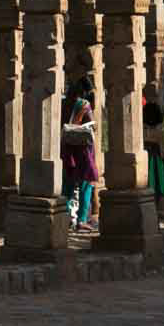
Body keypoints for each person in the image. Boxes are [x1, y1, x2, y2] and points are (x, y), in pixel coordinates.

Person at [61, 76, 99, 232]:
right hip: (83, 149)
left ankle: (67, 217)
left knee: (69, 185)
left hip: (68, 147)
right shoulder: (84, 104)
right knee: (87, 183)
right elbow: (91, 123)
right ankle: (82, 220)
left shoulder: (65, 103)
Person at [143, 97, 164, 204]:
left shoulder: (141, 131)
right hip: (157, 163)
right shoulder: (159, 133)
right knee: (158, 186)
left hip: (144, 162)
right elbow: (163, 152)